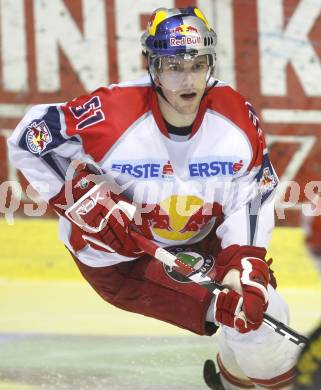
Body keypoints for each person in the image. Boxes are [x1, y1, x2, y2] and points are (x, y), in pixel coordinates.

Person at [8, 6, 300, 389]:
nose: (188, 78)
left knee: (252, 304)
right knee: (261, 319)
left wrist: (242, 262)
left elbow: (252, 189)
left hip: (196, 240)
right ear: (153, 67)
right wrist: (75, 196)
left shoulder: (235, 117)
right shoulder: (112, 114)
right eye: (174, 66)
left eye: (197, 65)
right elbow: (30, 137)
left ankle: (233, 379)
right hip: (124, 260)